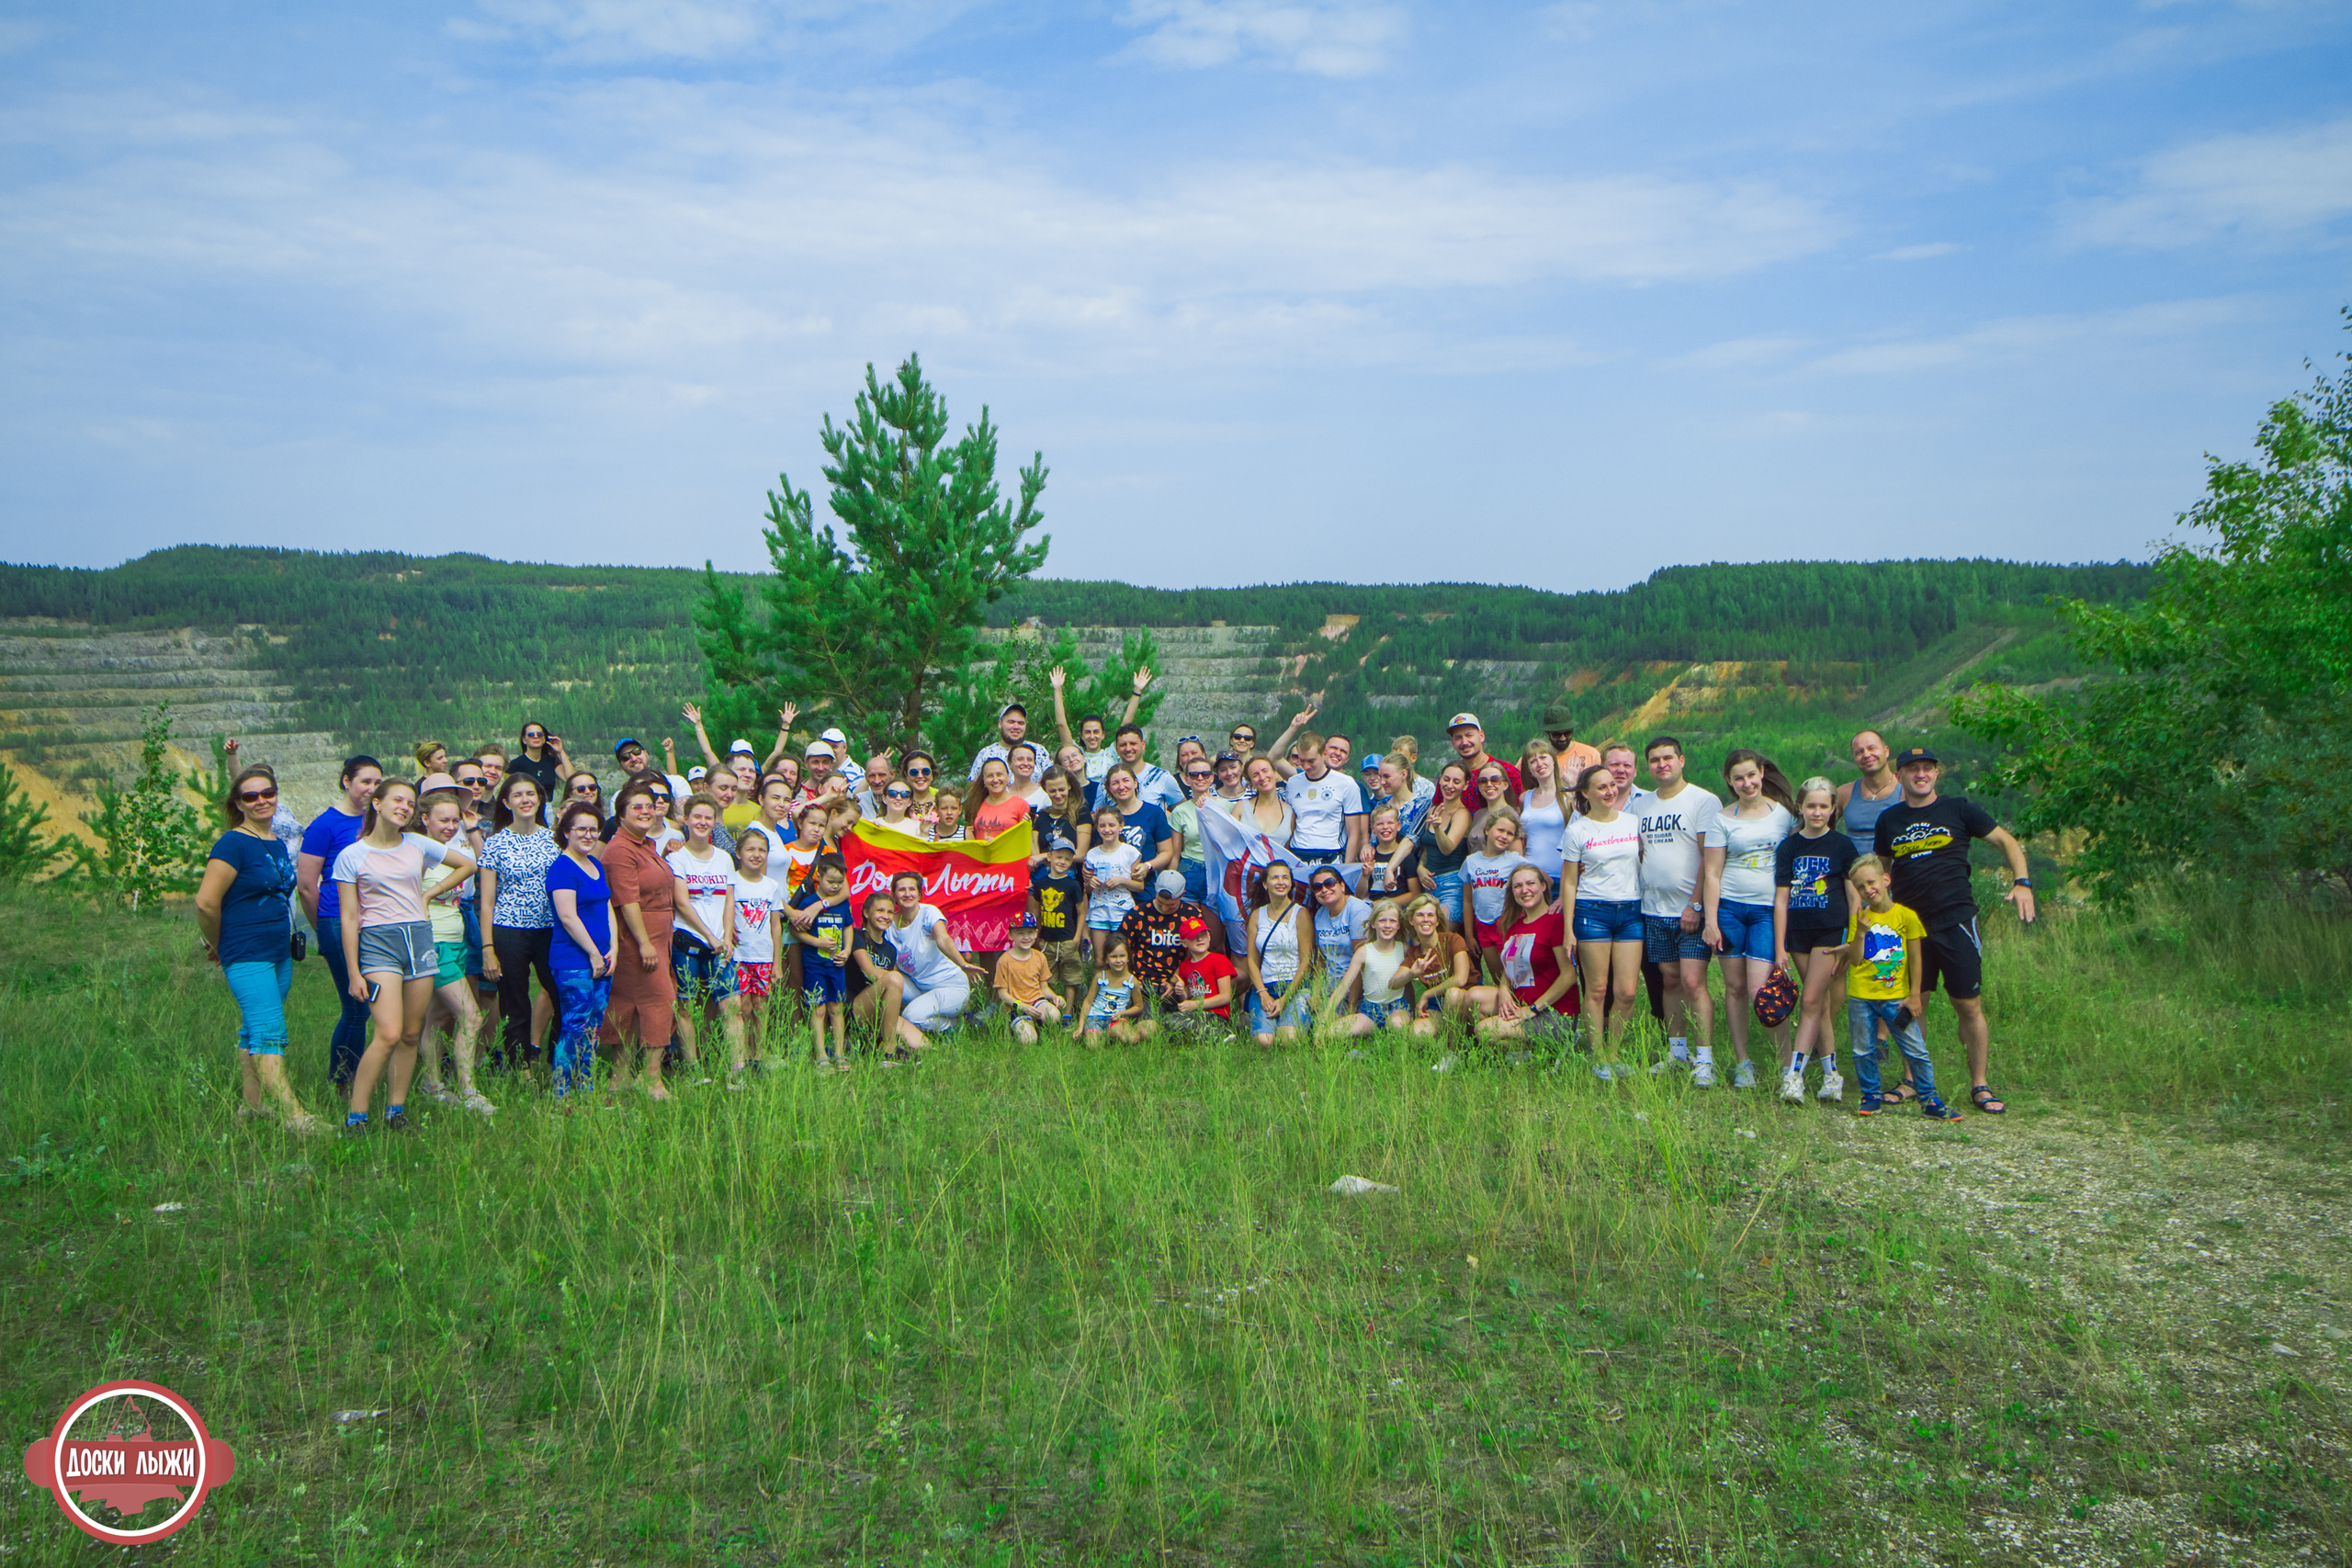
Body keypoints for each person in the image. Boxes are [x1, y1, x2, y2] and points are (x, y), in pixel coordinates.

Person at [1871, 745, 2035, 1116]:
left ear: (1936, 773)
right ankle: (1911, 1080)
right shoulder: (1890, 821)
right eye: (1912, 769)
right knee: (1915, 1003)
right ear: (1899, 776)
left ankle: (1980, 1084)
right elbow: (1881, 870)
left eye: (1927, 768)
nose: (1920, 774)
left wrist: (2022, 881)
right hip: (1909, 927)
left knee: (1968, 1004)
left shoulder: (1958, 808)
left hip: (1956, 919)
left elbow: (2006, 841)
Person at [334, 778, 476, 1134]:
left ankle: (395, 1111)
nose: (405, 807)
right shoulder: (352, 855)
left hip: (419, 939)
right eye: (398, 800)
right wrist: (353, 972)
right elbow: (349, 917)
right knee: (388, 1032)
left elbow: (467, 865)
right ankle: (356, 1116)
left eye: (410, 803)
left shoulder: (417, 843)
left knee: (412, 1033)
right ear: (377, 803)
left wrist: (430, 895)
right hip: (379, 944)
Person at [195, 766, 324, 1134]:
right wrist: (220, 945)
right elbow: (206, 903)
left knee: (253, 1030)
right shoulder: (233, 843)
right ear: (238, 804)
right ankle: (294, 1117)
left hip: (278, 949)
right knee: (270, 1031)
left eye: (267, 793)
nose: (261, 801)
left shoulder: (274, 841)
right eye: (250, 796)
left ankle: (252, 1107)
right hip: (246, 950)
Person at [1702, 749, 1797, 1089]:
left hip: (1767, 911)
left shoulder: (1783, 816)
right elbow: (1712, 873)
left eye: (1751, 775)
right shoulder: (1722, 819)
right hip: (1729, 909)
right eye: (1738, 778)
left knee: (1764, 989)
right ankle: (1744, 1062)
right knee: (1735, 987)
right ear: (1729, 782)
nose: (1746, 783)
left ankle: (1788, 1066)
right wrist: (1710, 921)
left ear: (1761, 773)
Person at [1844, 855, 1960, 1120]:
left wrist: (1915, 994)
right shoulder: (1859, 919)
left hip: (1896, 997)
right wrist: (1861, 932)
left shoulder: (1906, 917)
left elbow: (1917, 958)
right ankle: (1871, 1094)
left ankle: (1929, 1098)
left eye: (1871, 882)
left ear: (1886, 879)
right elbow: (1855, 960)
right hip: (1862, 996)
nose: (1867, 890)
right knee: (1863, 1049)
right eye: (1860, 887)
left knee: (1915, 1049)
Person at [1634, 736, 1722, 1083]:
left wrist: (1696, 905)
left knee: (1692, 981)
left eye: (1668, 757)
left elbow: (1709, 857)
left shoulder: (1702, 800)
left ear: (1682, 760)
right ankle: (1677, 1052)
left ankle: (1705, 1059)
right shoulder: (1640, 805)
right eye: (1654, 760)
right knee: (1669, 981)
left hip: (1691, 910)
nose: (1661, 764)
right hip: (1654, 909)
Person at [298, 755, 384, 1089]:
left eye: (378, 783)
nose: (371, 789)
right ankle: (343, 1081)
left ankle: (362, 1076)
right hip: (337, 919)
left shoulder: (375, 821)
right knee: (356, 1007)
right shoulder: (325, 825)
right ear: (346, 781)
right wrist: (324, 925)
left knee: (372, 1005)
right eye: (365, 781)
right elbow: (306, 885)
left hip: (372, 921)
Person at [412, 781, 495, 1113]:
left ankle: (431, 1084)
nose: (449, 826)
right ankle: (468, 1090)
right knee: (471, 1016)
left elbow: (479, 864)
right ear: (424, 820)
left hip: (456, 938)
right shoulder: (417, 853)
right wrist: (429, 896)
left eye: (453, 820)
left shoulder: (453, 849)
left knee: (440, 1016)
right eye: (442, 820)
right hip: (433, 942)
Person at [1774, 776, 1856, 1105]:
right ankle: (1832, 1075)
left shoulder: (1842, 846)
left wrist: (1851, 938)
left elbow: (1853, 897)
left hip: (1829, 932)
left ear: (1833, 809)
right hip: (1798, 933)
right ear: (1800, 807)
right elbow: (1781, 900)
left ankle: (1793, 1076)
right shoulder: (1790, 846)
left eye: (1824, 806)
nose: (1817, 812)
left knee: (1809, 1002)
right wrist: (1780, 946)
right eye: (1811, 806)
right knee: (1818, 1004)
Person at [476, 772, 561, 1072]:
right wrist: (488, 948)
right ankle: (520, 1067)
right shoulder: (495, 843)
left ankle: (556, 1061)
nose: (525, 800)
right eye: (517, 795)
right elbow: (487, 902)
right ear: (506, 802)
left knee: (560, 992)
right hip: (509, 928)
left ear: (540, 799)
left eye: (531, 794)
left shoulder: (555, 840)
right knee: (515, 1000)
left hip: (551, 929)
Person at [600, 777, 678, 1101]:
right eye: (637, 807)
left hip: (658, 936)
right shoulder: (619, 849)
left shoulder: (646, 845)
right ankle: (652, 1080)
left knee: (631, 1009)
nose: (645, 811)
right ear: (621, 815)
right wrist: (644, 942)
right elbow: (627, 900)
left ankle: (619, 1078)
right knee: (660, 1001)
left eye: (650, 805)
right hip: (637, 938)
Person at [1564, 762, 1645, 1069]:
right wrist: (1568, 930)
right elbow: (1570, 881)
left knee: (1626, 990)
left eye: (1612, 785)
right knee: (1597, 989)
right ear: (1586, 793)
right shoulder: (1577, 829)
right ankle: (1598, 1057)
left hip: (1630, 910)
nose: (1610, 791)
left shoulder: (1631, 822)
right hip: (1592, 911)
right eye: (1602, 787)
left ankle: (1613, 1052)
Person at [545, 801, 616, 1098]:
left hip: (603, 958)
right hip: (574, 960)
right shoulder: (562, 868)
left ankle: (586, 1087)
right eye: (581, 830)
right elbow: (567, 916)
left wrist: (613, 946)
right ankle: (561, 1093)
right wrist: (592, 952)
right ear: (566, 832)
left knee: (594, 1026)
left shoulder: (595, 863)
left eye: (593, 830)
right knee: (574, 1024)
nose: (588, 835)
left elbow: (607, 906)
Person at [1464, 866, 1579, 1050]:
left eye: (1530, 883)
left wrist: (1533, 1009)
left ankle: (1549, 1050)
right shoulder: (1514, 926)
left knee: (1485, 1030)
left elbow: (1569, 975)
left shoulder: (1556, 922)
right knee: (1472, 997)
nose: (1524, 890)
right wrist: (1503, 989)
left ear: (1543, 886)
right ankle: (1517, 1053)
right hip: (1521, 1005)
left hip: (1553, 1011)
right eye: (1517, 886)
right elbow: (1511, 966)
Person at [666, 796, 739, 1081]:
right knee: (687, 1006)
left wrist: (726, 937)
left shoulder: (723, 858)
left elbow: (729, 900)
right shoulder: (676, 858)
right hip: (688, 941)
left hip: (720, 945)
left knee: (731, 1005)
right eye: (696, 817)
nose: (702, 823)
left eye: (708, 818)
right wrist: (709, 936)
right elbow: (682, 903)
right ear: (686, 820)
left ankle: (737, 1069)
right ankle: (694, 1068)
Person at [888, 870, 985, 1035]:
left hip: (951, 987)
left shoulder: (928, 912)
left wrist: (962, 963)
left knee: (910, 1016)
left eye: (912, 889)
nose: (907, 894)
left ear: (919, 894)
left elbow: (943, 939)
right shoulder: (889, 924)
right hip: (919, 988)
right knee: (888, 981)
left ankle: (953, 1024)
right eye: (902, 890)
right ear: (894, 895)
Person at [788, 854, 856, 1072]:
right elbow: (794, 931)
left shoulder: (842, 903)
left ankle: (839, 1053)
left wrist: (846, 950)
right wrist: (816, 941)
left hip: (836, 965)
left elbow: (848, 926)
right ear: (818, 877)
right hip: (814, 966)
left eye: (839, 883)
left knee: (836, 1008)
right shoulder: (808, 903)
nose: (835, 887)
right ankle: (820, 1055)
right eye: (830, 882)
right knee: (818, 1009)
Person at [1242, 859, 1315, 1045]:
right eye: (1274, 878)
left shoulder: (1301, 914)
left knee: (1288, 1040)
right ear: (1265, 884)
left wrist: (1284, 999)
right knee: (1264, 1041)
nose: (1280, 882)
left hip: (1294, 986)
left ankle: (1297, 1023)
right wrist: (1263, 993)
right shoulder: (1257, 915)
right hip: (1265, 986)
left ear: (1291, 884)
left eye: (1285, 878)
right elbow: (1251, 960)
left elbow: (1306, 961)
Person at [728, 829, 781, 1078]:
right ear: (738, 853)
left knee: (761, 1007)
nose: (756, 855)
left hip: (763, 956)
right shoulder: (732, 882)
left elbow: (775, 926)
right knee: (743, 1007)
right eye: (750, 849)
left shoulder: (771, 886)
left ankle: (759, 1054)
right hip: (738, 956)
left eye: (762, 850)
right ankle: (743, 1056)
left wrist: (777, 963)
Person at [849, 891, 927, 1059]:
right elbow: (869, 972)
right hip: (855, 1009)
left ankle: (876, 1043)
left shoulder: (890, 949)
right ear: (866, 913)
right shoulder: (856, 936)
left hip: (880, 1011)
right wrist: (892, 978)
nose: (885, 916)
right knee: (895, 978)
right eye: (880, 911)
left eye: (890, 912)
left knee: (925, 1046)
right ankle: (889, 1051)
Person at [1321, 899, 1413, 1038]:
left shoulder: (1404, 949)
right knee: (1333, 1032)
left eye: (1392, 921)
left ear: (1399, 925)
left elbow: (1410, 983)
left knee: (1396, 1024)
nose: (1387, 925)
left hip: (1397, 1007)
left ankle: (1395, 1048)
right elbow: (1344, 985)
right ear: (1373, 923)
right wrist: (1326, 1014)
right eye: (1382, 921)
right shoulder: (1364, 952)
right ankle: (1371, 1035)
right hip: (1370, 1011)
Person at [1460, 807, 1532, 974]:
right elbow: (1468, 900)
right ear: (1487, 829)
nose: (1504, 836)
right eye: (1500, 830)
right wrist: (1469, 935)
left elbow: (1541, 880)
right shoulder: (1471, 862)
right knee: (1497, 976)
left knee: (1515, 975)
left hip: (1508, 923)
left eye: (1509, 834)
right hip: (1483, 925)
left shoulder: (1515, 861)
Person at [1050, 663, 1150, 784]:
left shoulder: (1111, 753)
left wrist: (1137, 691)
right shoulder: (1076, 755)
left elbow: (1125, 723)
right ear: (1081, 736)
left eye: (1096, 732)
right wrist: (1057, 689)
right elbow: (1061, 724)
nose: (1092, 736)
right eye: (1087, 732)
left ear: (1103, 734)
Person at [1280, 732, 1367, 868]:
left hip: (1330, 855)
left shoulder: (1347, 784)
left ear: (1324, 754)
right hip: (1298, 854)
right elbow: (1291, 825)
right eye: (1302, 760)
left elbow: (1354, 833)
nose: (1306, 766)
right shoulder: (1293, 782)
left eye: (1311, 761)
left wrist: (1346, 869)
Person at [1030, 837, 1089, 1015]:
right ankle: (1051, 1010)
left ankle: (1068, 1012)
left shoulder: (1073, 885)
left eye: (1067, 859)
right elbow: (1037, 913)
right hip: (1047, 940)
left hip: (1068, 939)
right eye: (1059, 857)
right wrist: (1037, 936)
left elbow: (1081, 912)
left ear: (1071, 862)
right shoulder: (1040, 884)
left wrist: (1077, 938)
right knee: (1047, 978)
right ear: (1049, 856)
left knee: (1070, 978)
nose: (1062, 862)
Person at [1400, 893, 1472, 1035]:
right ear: (1411, 920)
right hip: (1437, 1005)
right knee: (1417, 1033)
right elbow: (1393, 983)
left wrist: (1427, 994)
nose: (1426, 920)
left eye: (1431, 915)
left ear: (1437, 921)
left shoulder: (1453, 940)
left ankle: (1453, 1052)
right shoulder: (1414, 953)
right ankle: (1441, 1039)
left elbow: (1461, 979)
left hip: (1466, 1000)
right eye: (1420, 915)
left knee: (1452, 994)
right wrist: (1410, 973)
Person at [1082, 805, 1145, 966]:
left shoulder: (1130, 852)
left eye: (1111, 825)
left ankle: (1125, 990)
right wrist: (1091, 883)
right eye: (1102, 826)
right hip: (1098, 911)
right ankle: (1100, 990)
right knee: (1100, 959)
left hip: (1122, 911)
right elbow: (1087, 888)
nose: (1107, 830)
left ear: (1121, 826)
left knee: (1123, 957)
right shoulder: (1092, 854)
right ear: (1096, 828)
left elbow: (1140, 886)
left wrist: (1121, 880)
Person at [1415, 762, 1475, 928]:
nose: (1449, 786)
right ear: (1440, 780)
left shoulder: (1462, 814)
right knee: (1422, 936)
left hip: (1452, 884)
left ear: (1465, 785)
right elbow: (1427, 847)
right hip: (1429, 884)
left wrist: (1437, 828)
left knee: (1442, 936)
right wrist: (1420, 867)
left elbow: (1448, 848)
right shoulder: (1433, 810)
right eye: (1446, 780)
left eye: (1456, 782)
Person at [1120, 870, 1193, 1003]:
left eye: (1171, 905)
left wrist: (1175, 980)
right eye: (1160, 903)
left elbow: (1194, 956)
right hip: (1140, 981)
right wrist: (1130, 978)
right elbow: (1120, 948)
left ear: (1182, 895)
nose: (1165, 909)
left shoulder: (1190, 916)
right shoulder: (1137, 914)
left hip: (1178, 982)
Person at [1306, 866, 1371, 1009]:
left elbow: (1361, 962)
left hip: (1358, 994)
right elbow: (1320, 959)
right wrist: (1316, 994)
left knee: (1329, 1028)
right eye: (1317, 887)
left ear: (1342, 886)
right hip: (1330, 991)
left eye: (1329, 883)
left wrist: (1351, 1005)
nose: (1324, 890)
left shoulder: (1357, 910)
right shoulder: (1320, 915)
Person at [1098, 765, 1177, 877]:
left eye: (1126, 781)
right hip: (1113, 885)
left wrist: (1148, 866)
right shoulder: (1106, 817)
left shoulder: (1154, 813)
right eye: (1115, 783)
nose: (1121, 786)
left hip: (1145, 886)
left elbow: (1167, 852)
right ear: (1109, 789)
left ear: (1135, 783)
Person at [1835, 729, 1904, 858]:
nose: (1866, 755)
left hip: (1895, 873)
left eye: (1871, 748)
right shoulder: (1844, 794)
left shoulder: (1906, 792)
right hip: (1853, 874)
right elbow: (1821, 830)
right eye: (1859, 752)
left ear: (1886, 751)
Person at [994, 913, 1062, 1043]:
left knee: (1054, 1015)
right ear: (1011, 935)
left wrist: (1054, 997)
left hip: (1037, 1001)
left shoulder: (1039, 957)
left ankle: (1040, 1026)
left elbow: (1044, 987)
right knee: (1029, 1040)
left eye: (1030, 932)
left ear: (1036, 933)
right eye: (1020, 933)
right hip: (1016, 1006)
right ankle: (1018, 1025)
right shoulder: (1004, 961)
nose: (1026, 937)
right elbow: (1002, 994)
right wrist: (1022, 1007)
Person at [1167, 915, 1238, 1038]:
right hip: (1195, 1014)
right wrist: (1181, 992)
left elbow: (1225, 997)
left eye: (1203, 935)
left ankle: (1219, 1032)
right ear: (1184, 942)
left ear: (1209, 937)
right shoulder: (1185, 966)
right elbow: (1187, 996)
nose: (1200, 939)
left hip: (1215, 1013)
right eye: (1194, 937)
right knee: (1169, 1021)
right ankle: (1212, 1035)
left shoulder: (1219, 960)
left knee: (1188, 1026)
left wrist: (1196, 1005)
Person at [1516, 742, 1567, 903]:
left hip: (1562, 876)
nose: (1539, 764)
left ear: (1553, 761)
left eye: (1543, 757)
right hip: (1532, 878)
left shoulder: (1568, 796)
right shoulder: (1525, 798)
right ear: (1529, 769)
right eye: (1533, 761)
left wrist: (1573, 785)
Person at [1081, 938, 1154, 1045]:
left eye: (1122, 956)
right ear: (1106, 959)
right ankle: (1102, 1036)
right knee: (1093, 1045)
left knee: (1132, 1039)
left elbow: (1139, 1006)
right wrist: (1080, 1026)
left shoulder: (1132, 981)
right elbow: (1088, 1002)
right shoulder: (1100, 977)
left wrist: (1122, 1013)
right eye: (1113, 956)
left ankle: (1117, 1033)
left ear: (1128, 957)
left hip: (1116, 1020)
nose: (1118, 960)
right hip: (1095, 1018)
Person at [1100, 723, 1182, 811]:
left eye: (1133, 744)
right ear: (1117, 748)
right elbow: (1096, 813)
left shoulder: (1162, 777)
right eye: (1123, 745)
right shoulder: (1107, 781)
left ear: (1143, 745)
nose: (1128, 748)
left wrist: (1164, 817)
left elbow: (1183, 810)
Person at [1170, 755, 1216, 903]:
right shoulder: (1180, 811)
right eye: (1194, 775)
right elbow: (1175, 854)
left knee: (1214, 924)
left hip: (1216, 870)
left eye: (1205, 774)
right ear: (1187, 780)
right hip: (1190, 868)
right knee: (1189, 924)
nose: (1200, 778)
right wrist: (1170, 879)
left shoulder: (1226, 807)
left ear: (1212, 778)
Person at [1359, 803, 1421, 901]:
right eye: (1380, 824)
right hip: (1372, 909)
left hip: (1399, 911)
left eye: (1390, 823)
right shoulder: (1369, 856)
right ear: (1373, 829)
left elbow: (1415, 894)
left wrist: (1384, 904)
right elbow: (1359, 895)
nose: (1385, 827)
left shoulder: (1407, 857)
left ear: (1398, 826)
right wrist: (1365, 877)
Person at [1445, 713, 1520, 794]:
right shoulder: (1448, 779)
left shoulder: (1508, 772)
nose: (1464, 742)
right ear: (1452, 742)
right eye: (1458, 738)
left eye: (1469, 735)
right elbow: (1438, 805)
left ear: (1481, 736)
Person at [508, 720, 570, 812]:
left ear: (544, 739)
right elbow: (508, 791)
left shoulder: (551, 760)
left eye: (540, 734)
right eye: (531, 734)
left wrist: (561, 752)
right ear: (524, 740)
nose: (535, 736)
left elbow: (570, 779)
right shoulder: (516, 764)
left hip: (547, 807)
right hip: (525, 808)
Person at [1229, 756, 1295, 842]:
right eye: (1255, 775)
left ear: (1275, 774)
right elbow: (1228, 841)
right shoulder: (1241, 808)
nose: (1262, 777)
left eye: (1265, 771)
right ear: (1251, 783)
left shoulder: (1290, 812)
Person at [964, 757, 1030, 839]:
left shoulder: (1021, 805)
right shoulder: (976, 803)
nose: (995, 780)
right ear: (984, 780)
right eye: (990, 776)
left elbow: (1025, 840)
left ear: (1008, 776)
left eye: (999, 775)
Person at [966, 701, 1032, 782]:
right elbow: (973, 788)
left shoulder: (1039, 751)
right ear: (1000, 724)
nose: (1016, 727)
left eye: (1021, 723)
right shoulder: (986, 754)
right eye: (1011, 722)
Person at [1384, 737, 1436, 838]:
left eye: (1401, 757)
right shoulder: (1387, 784)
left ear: (1413, 758)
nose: (1396, 761)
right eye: (1393, 756)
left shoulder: (1426, 787)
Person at [1543, 705, 1603, 791]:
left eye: (1567, 733)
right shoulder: (1536, 759)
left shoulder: (1592, 754)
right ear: (1547, 732)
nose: (1563, 738)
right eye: (1557, 734)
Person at [1007, 741, 1049, 810]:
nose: (1026, 763)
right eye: (1020, 759)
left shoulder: (1044, 795)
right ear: (1009, 763)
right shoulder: (1002, 793)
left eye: (1030, 760)